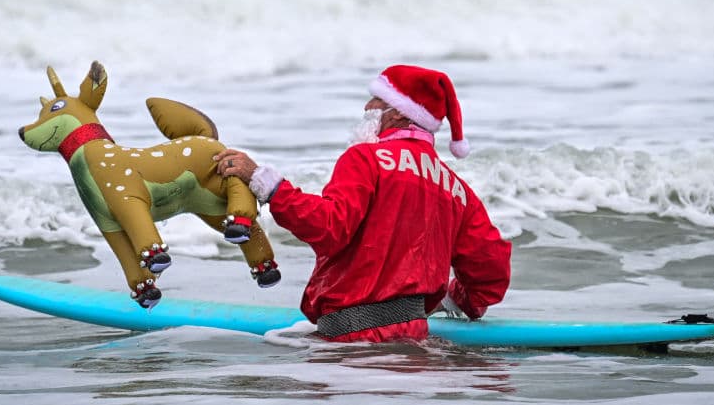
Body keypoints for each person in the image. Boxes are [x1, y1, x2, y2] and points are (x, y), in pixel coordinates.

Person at [214, 65, 511, 343]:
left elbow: (329, 226)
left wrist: (268, 185)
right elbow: (492, 270)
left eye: (376, 100)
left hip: (352, 346)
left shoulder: (364, 158)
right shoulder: (456, 189)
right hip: (415, 343)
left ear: (399, 112)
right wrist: (452, 299)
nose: (367, 107)